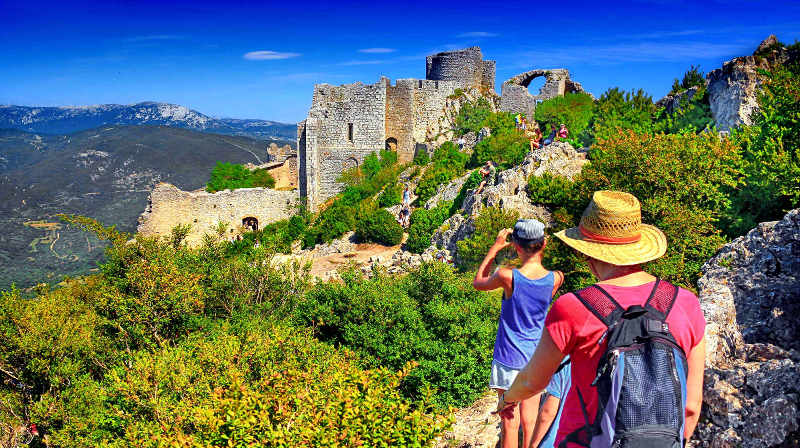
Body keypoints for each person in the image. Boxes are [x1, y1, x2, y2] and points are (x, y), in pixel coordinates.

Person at [495, 191, 707, 448]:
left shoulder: (573, 307)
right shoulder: (686, 303)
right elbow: (691, 408)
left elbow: (532, 381)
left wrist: (507, 400)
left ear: (589, 252)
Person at [473, 219, 564, 448]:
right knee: (529, 419)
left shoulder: (508, 277)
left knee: (509, 421)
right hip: (535, 357)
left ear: (516, 246)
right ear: (543, 244)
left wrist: (495, 247)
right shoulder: (556, 278)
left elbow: (478, 282)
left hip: (508, 358)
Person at [530, 358, 571, 448]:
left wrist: (533, 444)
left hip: (555, 442)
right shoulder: (604, 365)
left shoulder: (565, 364)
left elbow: (547, 413)